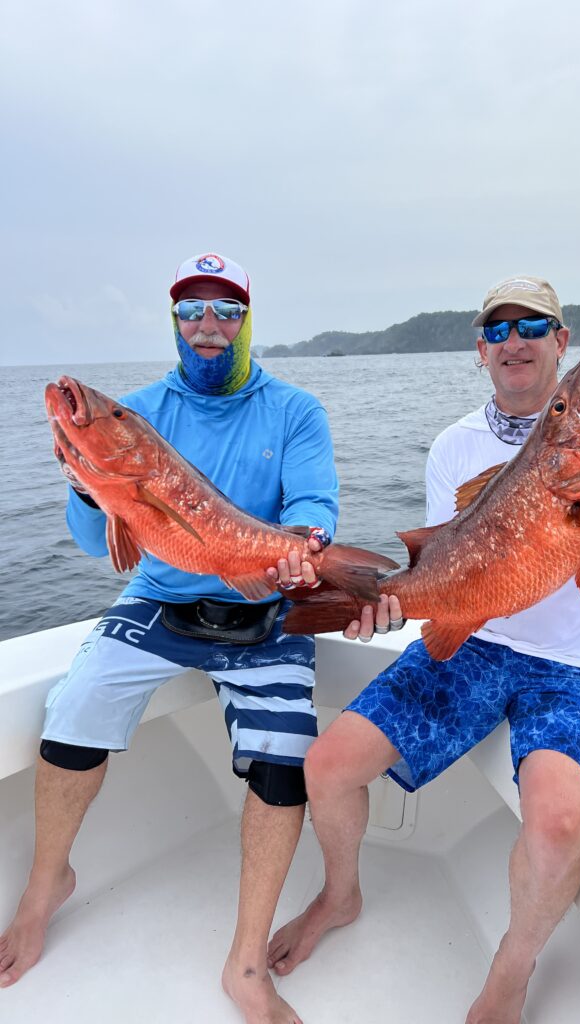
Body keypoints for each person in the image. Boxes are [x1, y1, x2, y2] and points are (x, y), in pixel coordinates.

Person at [264, 275, 580, 1024]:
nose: (515, 340)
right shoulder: (455, 446)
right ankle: (340, 894)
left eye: (532, 326)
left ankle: (510, 974)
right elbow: (450, 571)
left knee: (558, 821)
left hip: (577, 667)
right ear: (481, 350)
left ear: (560, 341)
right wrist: (389, 605)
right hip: (477, 639)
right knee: (327, 765)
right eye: (498, 329)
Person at [0, 252, 335, 1024]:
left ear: (247, 321)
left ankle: (246, 964)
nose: (208, 327)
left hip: (263, 612)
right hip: (161, 599)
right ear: (174, 322)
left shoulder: (295, 411)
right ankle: (47, 884)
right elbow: (96, 544)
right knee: (74, 705)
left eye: (225, 312)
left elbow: (316, 509)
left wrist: (302, 550)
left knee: (285, 764)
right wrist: (87, 484)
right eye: (192, 312)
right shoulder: (143, 411)